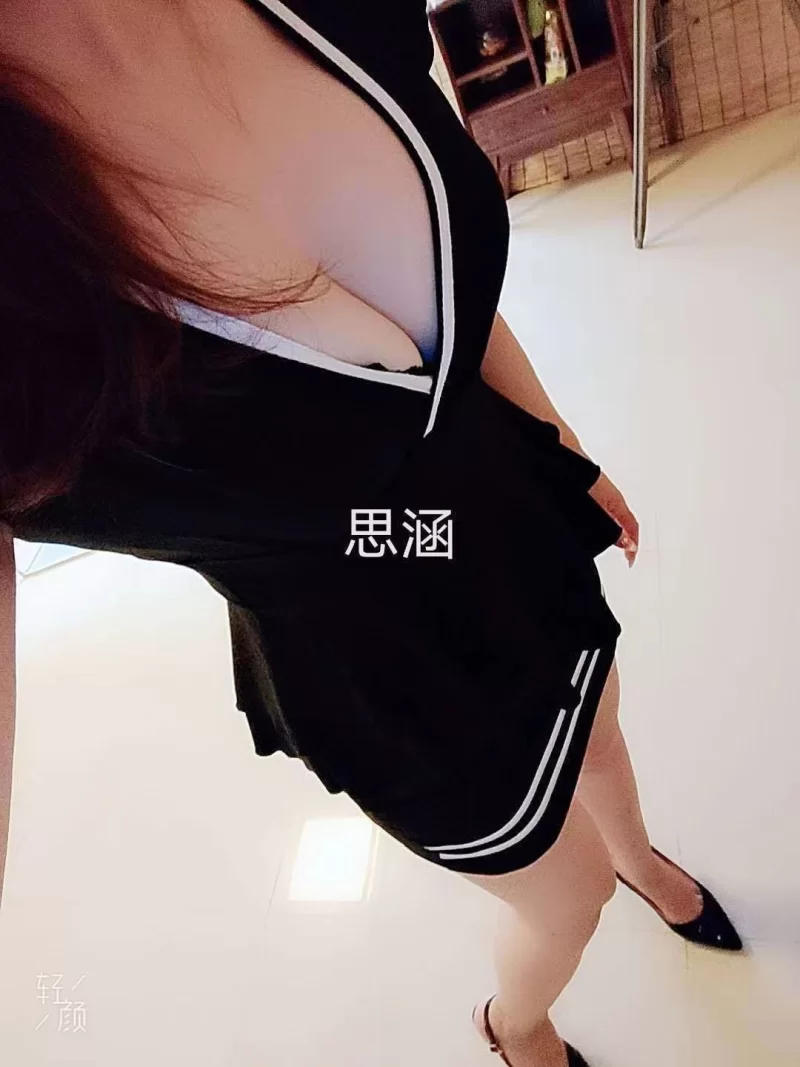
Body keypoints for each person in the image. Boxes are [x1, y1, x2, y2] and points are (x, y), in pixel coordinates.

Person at [0, 3, 742, 1065]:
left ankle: (641, 858)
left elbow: (440, 287)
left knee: (601, 730)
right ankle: (515, 1025)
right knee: (563, 897)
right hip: (383, 657)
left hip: (500, 510)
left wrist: (560, 446)